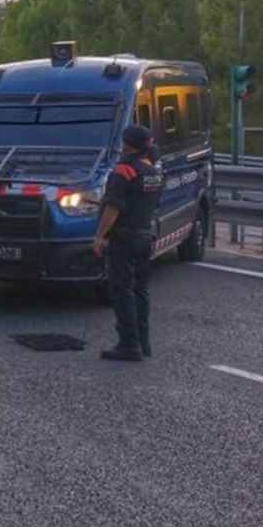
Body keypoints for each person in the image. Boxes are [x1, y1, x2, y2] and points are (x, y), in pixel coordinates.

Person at [93, 125, 163, 361]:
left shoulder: (124, 171)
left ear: (127, 144)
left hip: (124, 239)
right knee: (140, 290)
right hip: (145, 236)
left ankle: (128, 344)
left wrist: (100, 236)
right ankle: (143, 343)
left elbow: (113, 208)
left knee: (122, 290)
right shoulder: (153, 171)